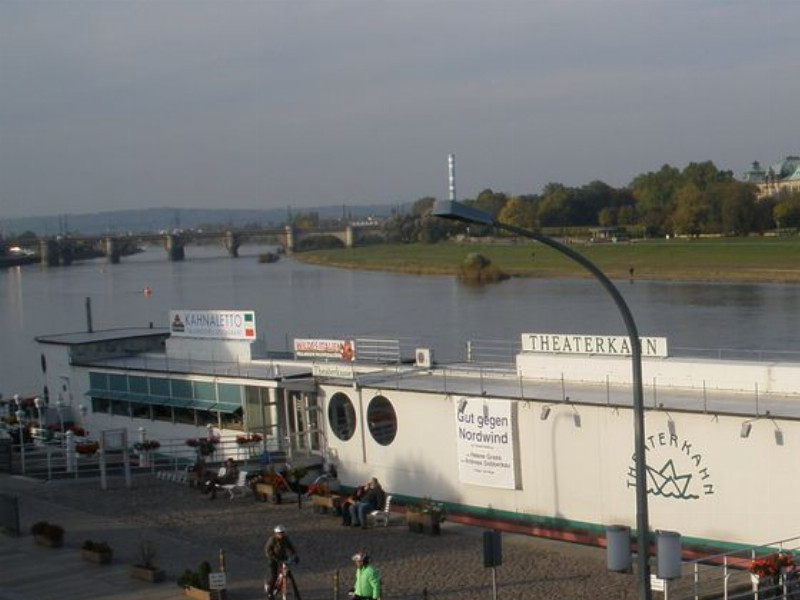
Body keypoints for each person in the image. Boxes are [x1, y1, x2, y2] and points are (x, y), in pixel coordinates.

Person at [264, 524, 298, 599]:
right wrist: (275, 559)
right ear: (276, 533)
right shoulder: (272, 539)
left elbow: (291, 547)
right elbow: (268, 551)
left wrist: (295, 555)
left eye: (282, 532)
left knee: (290, 576)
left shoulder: (285, 539)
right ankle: (270, 592)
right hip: (273, 560)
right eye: (279, 533)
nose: (281, 534)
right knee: (274, 576)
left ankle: (296, 595)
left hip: (283, 558)